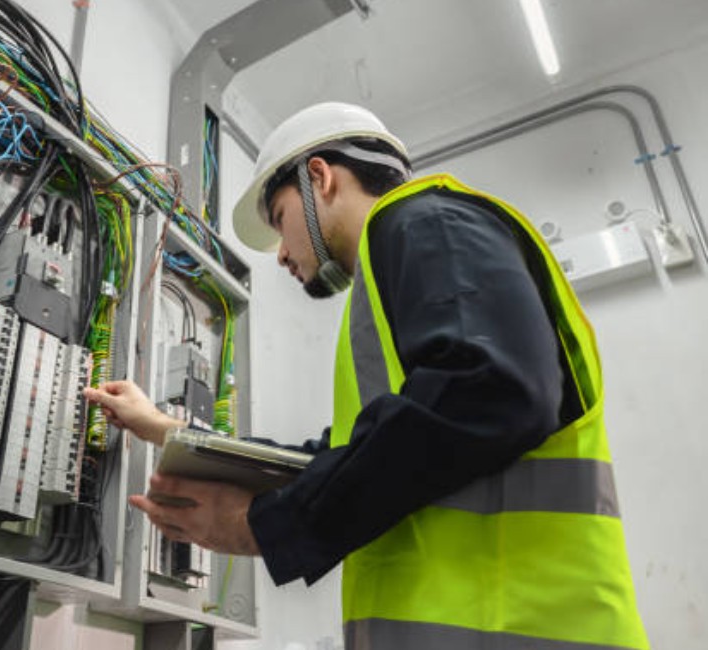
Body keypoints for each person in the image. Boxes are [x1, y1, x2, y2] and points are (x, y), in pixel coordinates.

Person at [83, 102, 648, 649]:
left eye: (280, 220)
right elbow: (344, 457)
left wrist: (269, 527)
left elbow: (490, 387)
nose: (281, 254)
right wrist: (163, 430)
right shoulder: (392, 277)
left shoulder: (429, 221)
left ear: (320, 178)